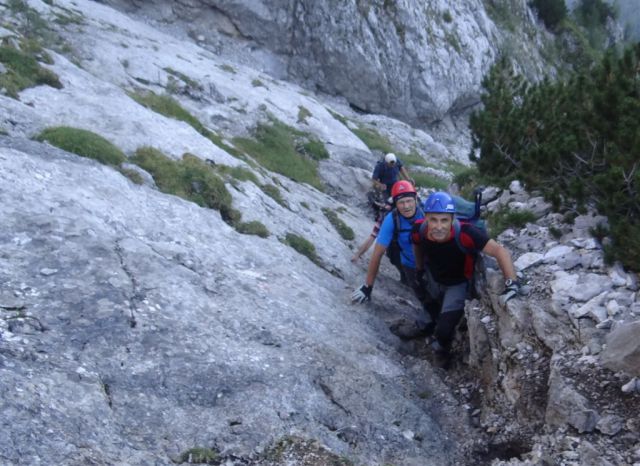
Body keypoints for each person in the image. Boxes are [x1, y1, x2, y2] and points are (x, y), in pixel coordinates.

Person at [407, 191, 524, 367]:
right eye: (434, 220)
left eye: (444, 220)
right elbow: (417, 245)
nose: (439, 226)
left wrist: (511, 282)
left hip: (457, 284)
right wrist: (419, 269)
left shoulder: (467, 233)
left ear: (452, 218)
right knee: (428, 303)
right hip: (434, 277)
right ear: (426, 218)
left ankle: (441, 348)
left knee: (445, 328)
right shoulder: (419, 229)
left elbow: (500, 251)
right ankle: (424, 325)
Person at [352, 180, 424, 303]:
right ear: (396, 204)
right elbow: (377, 254)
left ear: (416, 199)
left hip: (429, 262)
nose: (406, 206)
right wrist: (368, 287)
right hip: (408, 264)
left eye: (409, 201)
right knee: (423, 297)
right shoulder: (391, 220)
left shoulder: (427, 212)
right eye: (401, 202)